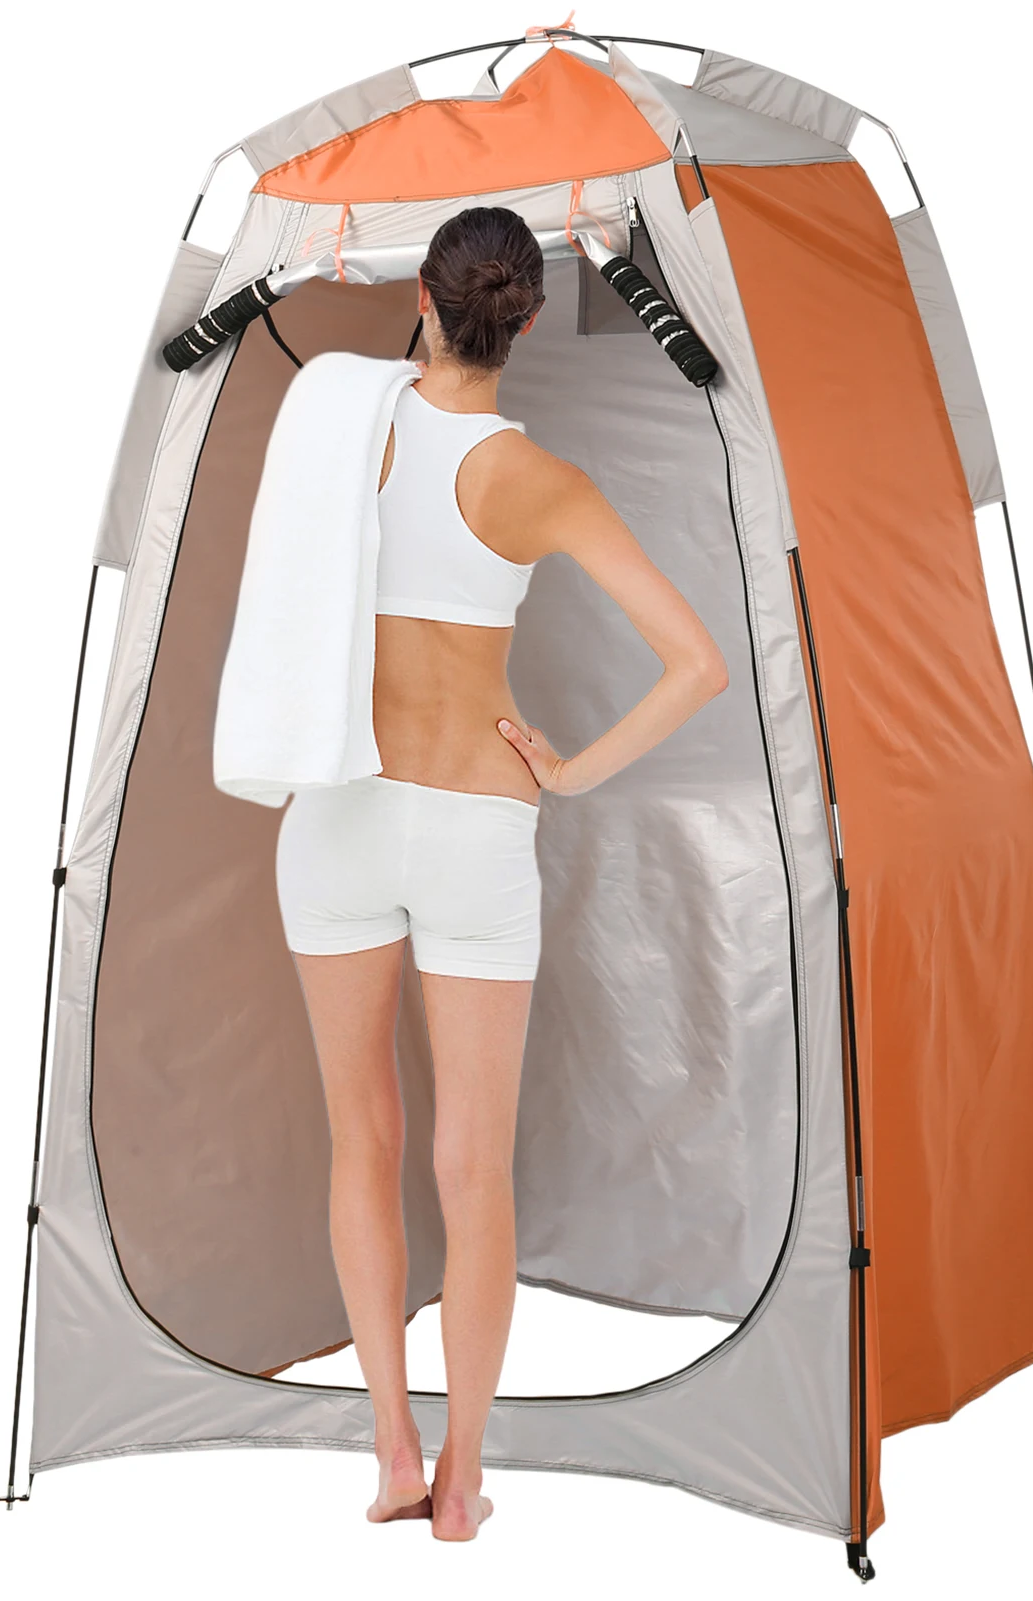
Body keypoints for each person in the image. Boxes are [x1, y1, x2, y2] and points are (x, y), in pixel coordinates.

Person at [274, 205, 728, 1540]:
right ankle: (463, 1483)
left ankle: (391, 1449)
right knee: (475, 1169)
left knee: (362, 1138)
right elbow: (697, 663)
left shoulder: (342, 433)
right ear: (527, 321)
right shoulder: (542, 481)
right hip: (477, 825)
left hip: (338, 815)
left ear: (423, 296)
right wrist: (570, 773)